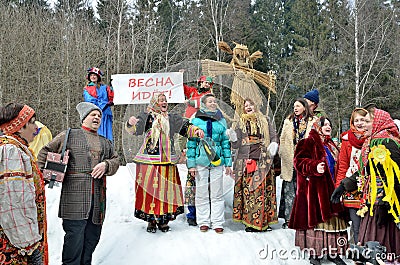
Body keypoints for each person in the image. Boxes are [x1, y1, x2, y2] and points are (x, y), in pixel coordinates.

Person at [37, 102, 120, 265]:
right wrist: (41, 177)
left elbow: (116, 159)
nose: (97, 117)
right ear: (84, 117)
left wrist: (106, 165)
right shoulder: (69, 135)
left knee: (91, 240)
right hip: (73, 201)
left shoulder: (105, 142)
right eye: (93, 115)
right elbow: (45, 151)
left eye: (99, 116)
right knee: (73, 243)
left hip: (97, 202)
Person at [125, 93, 204, 233]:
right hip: (149, 160)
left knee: (166, 191)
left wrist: (196, 130)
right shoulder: (146, 116)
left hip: (167, 160)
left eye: (165, 100)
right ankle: (151, 220)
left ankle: (163, 220)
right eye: (161, 100)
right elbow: (135, 130)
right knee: (150, 190)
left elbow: (184, 127)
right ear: (155, 102)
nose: (164, 102)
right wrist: (130, 124)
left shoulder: (172, 118)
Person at [332, 107, 400, 259]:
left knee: (380, 250)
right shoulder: (372, 142)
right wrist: (344, 185)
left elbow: (395, 178)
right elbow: (367, 170)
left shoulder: (387, 142)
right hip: (373, 203)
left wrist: (384, 204)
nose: (364, 125)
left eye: (368, 121)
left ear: (378, 123)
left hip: (383, 207)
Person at [289, 117, 348, 265]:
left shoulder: (331, 144)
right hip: (314, 191)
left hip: (332, 188)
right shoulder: (308, 142)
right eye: (324, 124)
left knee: (334, 220)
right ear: (317, 126)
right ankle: (315, 253)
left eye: (329, 124)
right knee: (317, 221)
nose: (328, 126)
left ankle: (333, 253)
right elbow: (298, 162)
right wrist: (314, 166)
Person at [0, 103, 48, 265]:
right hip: (16, 247)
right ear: (20, 127)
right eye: (32, 122)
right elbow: (13, 204)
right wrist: (29, 246)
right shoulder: (11, 151)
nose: (36, 127)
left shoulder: (16, 149)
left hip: (16, 240)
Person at [186, 94, 232, 234]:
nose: (213, 103)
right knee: (201, 192)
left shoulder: (221, 120)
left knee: (217, 192)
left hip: (217, 160)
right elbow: (191, 143)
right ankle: (203, 221)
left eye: (214, 101)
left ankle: (217, 222)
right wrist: (191, 164)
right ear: (204, 104)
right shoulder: (196, 119)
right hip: (201, 160)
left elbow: (225, 143)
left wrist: (228, 163)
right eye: (210, 101)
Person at [231, 98, 279, 232]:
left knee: (263, 191)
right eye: (245, 105)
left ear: (256, 106)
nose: (248, 107)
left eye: (251, 104)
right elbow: (235, 145)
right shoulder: (240, 123)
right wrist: (233, 138)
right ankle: (249, 222)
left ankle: (264, 221)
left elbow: (274, 135)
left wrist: (274, 145)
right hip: (246, 161)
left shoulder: (265, 120)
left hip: (263, 160)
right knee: (249, 192)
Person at [278, 98, 316, 228]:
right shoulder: (288, 122)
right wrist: (282, 153)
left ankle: (305, 217)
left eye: (298, 106)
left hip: (305, 160)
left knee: (304, 189)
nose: (295, 108)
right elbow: (282, 138)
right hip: (290, 159)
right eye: (294, 106)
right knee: (289, 190)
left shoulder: (313, 122)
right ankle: (289, 219)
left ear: (304, 107)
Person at [182, 75, 214, 226]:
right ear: (200, 82)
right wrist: (179, 77)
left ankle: (206, 213)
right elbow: (180, 88)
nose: (206, 84)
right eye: (205, 82)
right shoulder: (193, 91)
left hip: (206, 145)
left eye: (209, 83)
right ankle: (191, 213)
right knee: (192, 181)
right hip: (189, 130)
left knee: (206, 184)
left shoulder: (210, 99)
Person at [334, 108, 368, 243]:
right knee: (356, 224)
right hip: (351, 188)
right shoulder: (346, 140)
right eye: (356, 120)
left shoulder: (372, 138)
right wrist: (339, 187)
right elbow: (342, 166)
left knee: (369, 223)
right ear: (352, 122)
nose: (360, 123)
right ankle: (357, 255)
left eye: (363, 120)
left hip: (368, 187)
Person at [83, 67, 114, 141]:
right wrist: (104, 104)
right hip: (95, 113)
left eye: (95, 75)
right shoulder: (87, 89)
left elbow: (111, 98)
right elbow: (90, 101)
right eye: (91, 75)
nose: (93, 77)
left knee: (107, 134)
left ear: (98, 77)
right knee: (96, 132)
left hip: (106, 114)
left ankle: (108, 149)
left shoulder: (105, 88)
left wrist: (113, 87)